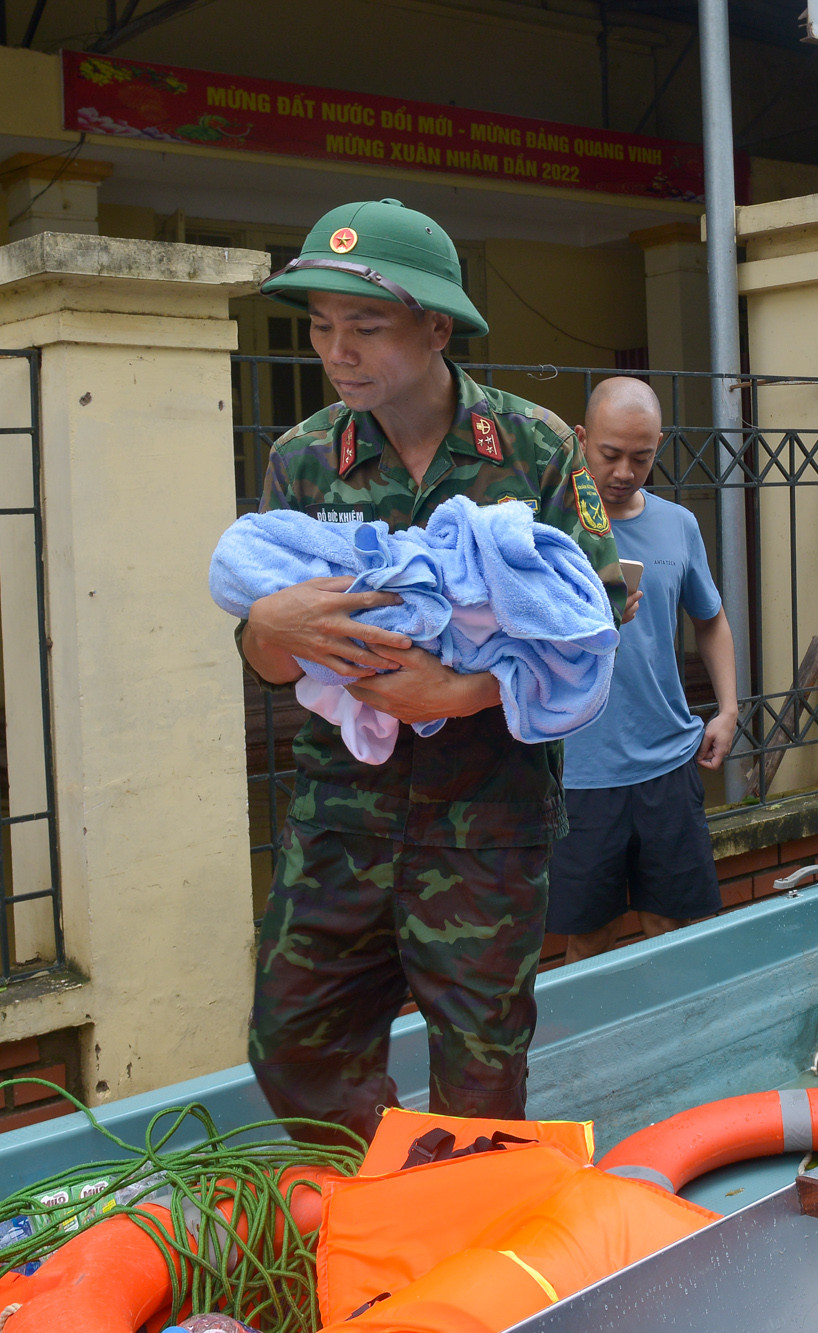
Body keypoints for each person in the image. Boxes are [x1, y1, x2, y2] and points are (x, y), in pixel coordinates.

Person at [239, 199, 631, 1143]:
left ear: (436, 326)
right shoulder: (302, 460)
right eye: (322, 328)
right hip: (342, 810)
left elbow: (600, 613)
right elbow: (263, 661)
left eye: (366, 328)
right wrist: (270, 620)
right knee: (291, 1041)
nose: (339, 352)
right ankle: (380, 1196)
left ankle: (461, 1251)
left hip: (485, 818)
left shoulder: (533, 447)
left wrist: (456, 693)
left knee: (482, 1073)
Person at [549, 377, 738, 964]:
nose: (625, 471)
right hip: (578, 768)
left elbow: (710, 617)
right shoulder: (546, 526)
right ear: (582, 441)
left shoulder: (677, 524)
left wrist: (729, 709)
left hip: (666, 759)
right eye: (610, 455)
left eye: (642, 457)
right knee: (589, 938)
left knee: (674, 927)